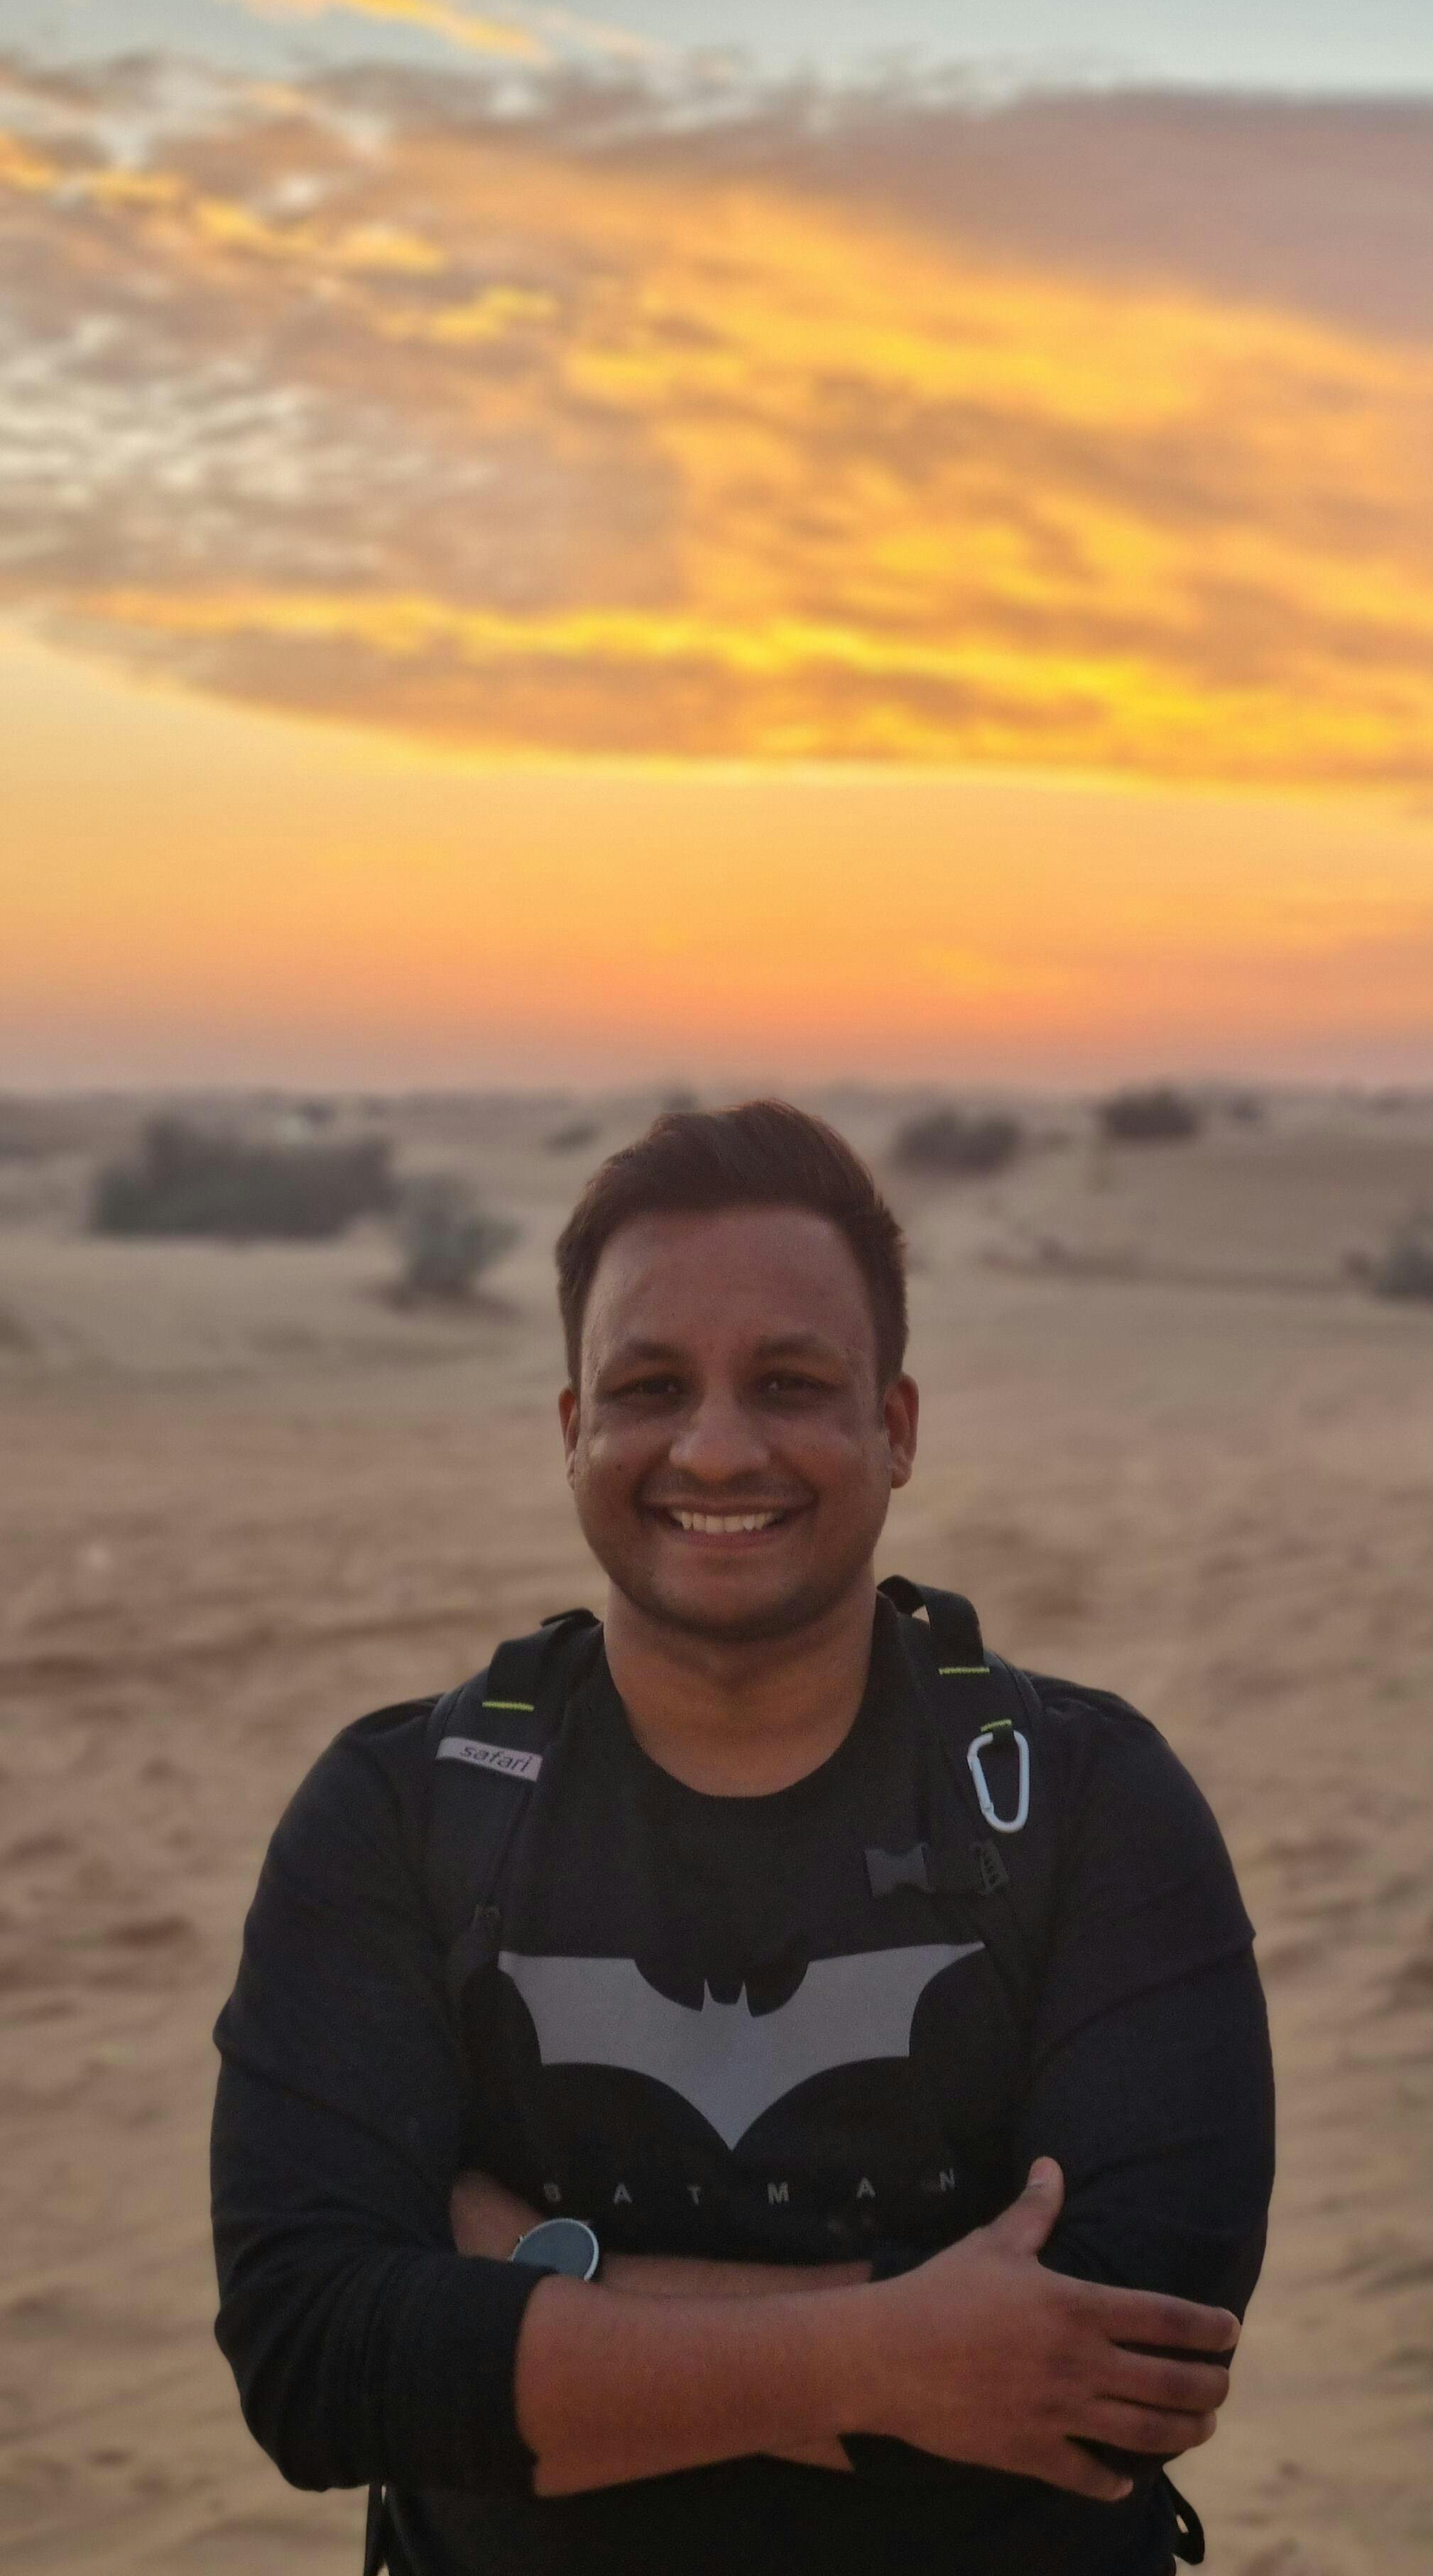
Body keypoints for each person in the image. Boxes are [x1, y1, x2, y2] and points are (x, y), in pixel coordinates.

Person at [212, 1101, 1275, 2575]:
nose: (716, 1450)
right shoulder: (407, 1809)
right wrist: (900, 2350)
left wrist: (537, 2279)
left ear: (894, 1428)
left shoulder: (1083, 1800)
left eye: (789, 1383)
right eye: (650, 1387)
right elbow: (318, 2362)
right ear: (574, 1432)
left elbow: (1124, 2372)